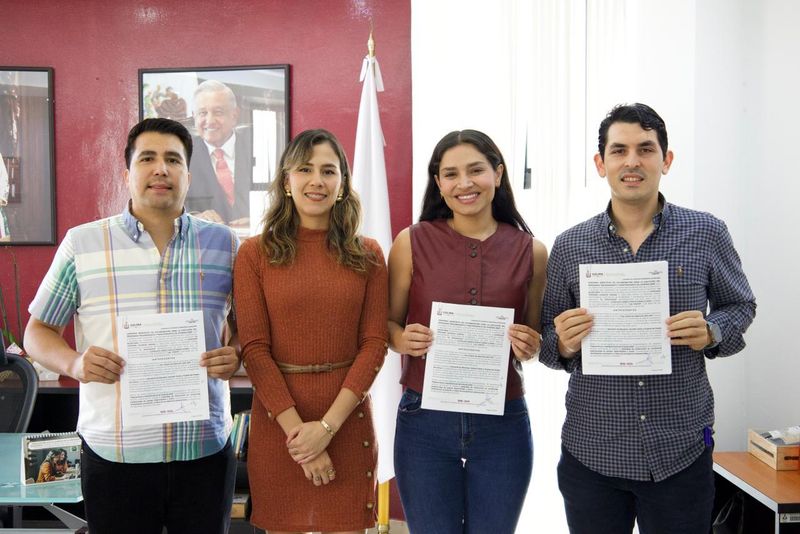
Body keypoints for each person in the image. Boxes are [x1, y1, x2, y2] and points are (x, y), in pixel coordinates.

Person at [540, 103, 756, 534]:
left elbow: (741, 307)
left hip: (680, 452)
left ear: (666, 160)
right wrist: (563, 343)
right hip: (592, 454)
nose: (632, 161)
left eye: (646, 148)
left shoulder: (706, 232)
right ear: (601, 164)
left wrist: (711, 331)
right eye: (619, 150)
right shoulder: (569, 246)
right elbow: (547, 341)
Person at [25, 118, 240, 534]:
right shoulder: (83, 244)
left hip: (204, 452)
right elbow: (37, 331)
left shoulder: (226, 245)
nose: (161, 169)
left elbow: (250, 328)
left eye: (173, 159)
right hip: (114, 456)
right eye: (148, 158)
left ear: (188, 175)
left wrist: (239, 352)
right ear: (127, 174)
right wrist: (74, 364)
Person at [388, 130, 547, 533]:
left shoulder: (533, 251)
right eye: (451, 174)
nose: (464, 183)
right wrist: (402, 339)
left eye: (476, 170)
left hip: (503, 423)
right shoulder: (410, 243)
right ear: (438, 183)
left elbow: (534, 336)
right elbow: (388, 324)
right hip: (424, 421)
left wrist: (531, 345)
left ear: (497, 172)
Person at [234, 128, 388, 533]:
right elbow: (253, 348)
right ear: (287, 181)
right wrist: (302, 439)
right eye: (305, 169)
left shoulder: (367, 253)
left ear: (342, 184)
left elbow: (374, 345)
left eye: (328, 171)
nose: (317, 180)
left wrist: (325, 429)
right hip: (281, 429)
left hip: (347, 421)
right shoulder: (254, 253)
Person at [187, 80, 252, 226]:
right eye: (202, 113)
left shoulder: (257, 147)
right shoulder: (183, 155)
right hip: (204, 243)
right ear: (194, 116)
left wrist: (259, 218)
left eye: (218, 112)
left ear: (234, 115)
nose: (209, 121)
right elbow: (172, 203)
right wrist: (196, 216)